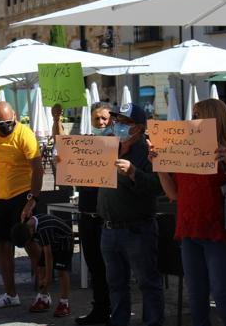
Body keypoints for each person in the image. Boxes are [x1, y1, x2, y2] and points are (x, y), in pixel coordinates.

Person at [155, 99, 226, 326]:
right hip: (189, 231)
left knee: (222, 293)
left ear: (215, 119)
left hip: (220, 232)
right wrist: (160, 169)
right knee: (196, 296)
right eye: (192, 115)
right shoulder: (184, 150)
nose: (192, 120)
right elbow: (174, 194)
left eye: (197, 115)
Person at [98, 103, 165, 326]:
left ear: (138, 128)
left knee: (148, 283)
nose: (117, 125)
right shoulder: (109, 147)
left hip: (137, 228)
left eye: (124, 122)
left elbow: (159, 187)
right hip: (109, 228)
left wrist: (134, 173)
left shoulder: (149, 151)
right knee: (115, 284)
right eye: (117, 121)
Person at [0, 101, 44, 309]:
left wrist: (32, 200)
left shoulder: (25, 134)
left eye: (9, 122)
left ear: (15, 116)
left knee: (30, 242)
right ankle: (10, 294)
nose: (6, 126)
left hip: (22, 193)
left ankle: (43, 291)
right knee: (2, 246)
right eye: (1, 123)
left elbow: (38, 169)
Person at [74, 102, 112, 325]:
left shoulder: (116, 144)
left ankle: (113, 310)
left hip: (106, 217)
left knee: (110, 269)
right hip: (86, 213)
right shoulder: (85, 142)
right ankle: (99, 309)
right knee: (95, 266)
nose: (101, 122)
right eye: (97, 118)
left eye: (105, 119)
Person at [10, 213, 73, 317]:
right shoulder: (27, 226)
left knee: (61, 271)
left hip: (64, 241)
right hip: (51, 241)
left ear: (30, 231)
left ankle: (64, 303)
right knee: (40, 268)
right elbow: (42, 256)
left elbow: (49, 256)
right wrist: (43, 276)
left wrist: (48, 278)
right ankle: (44, 299)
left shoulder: (44, 230)